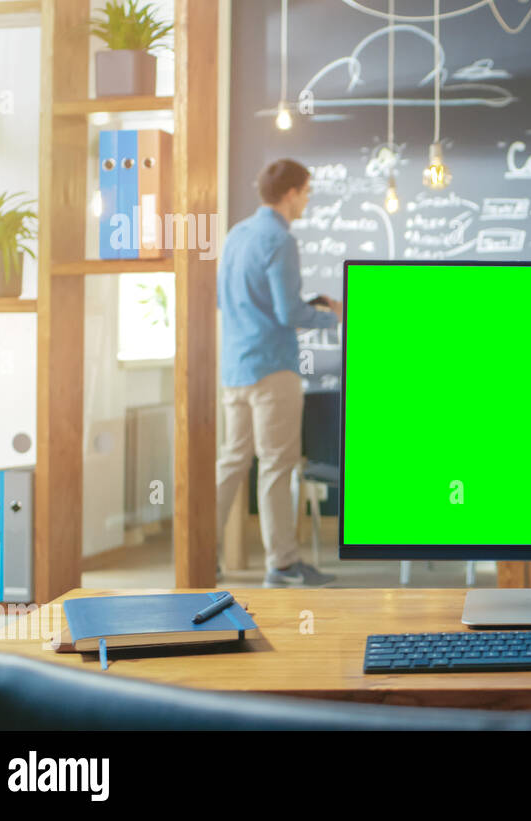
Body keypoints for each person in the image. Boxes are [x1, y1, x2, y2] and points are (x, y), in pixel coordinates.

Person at [215, 159, 340, 587]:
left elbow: (227, 300)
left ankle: (201, 553)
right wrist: (334, 316)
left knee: (232, 462)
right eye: (306, 192)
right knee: (275, 465)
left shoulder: (237, 235)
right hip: (272, 370)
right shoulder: (280, 241)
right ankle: (283, 565)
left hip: (234, 368)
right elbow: (289, 314)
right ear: (290, 193)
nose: (307, 200)